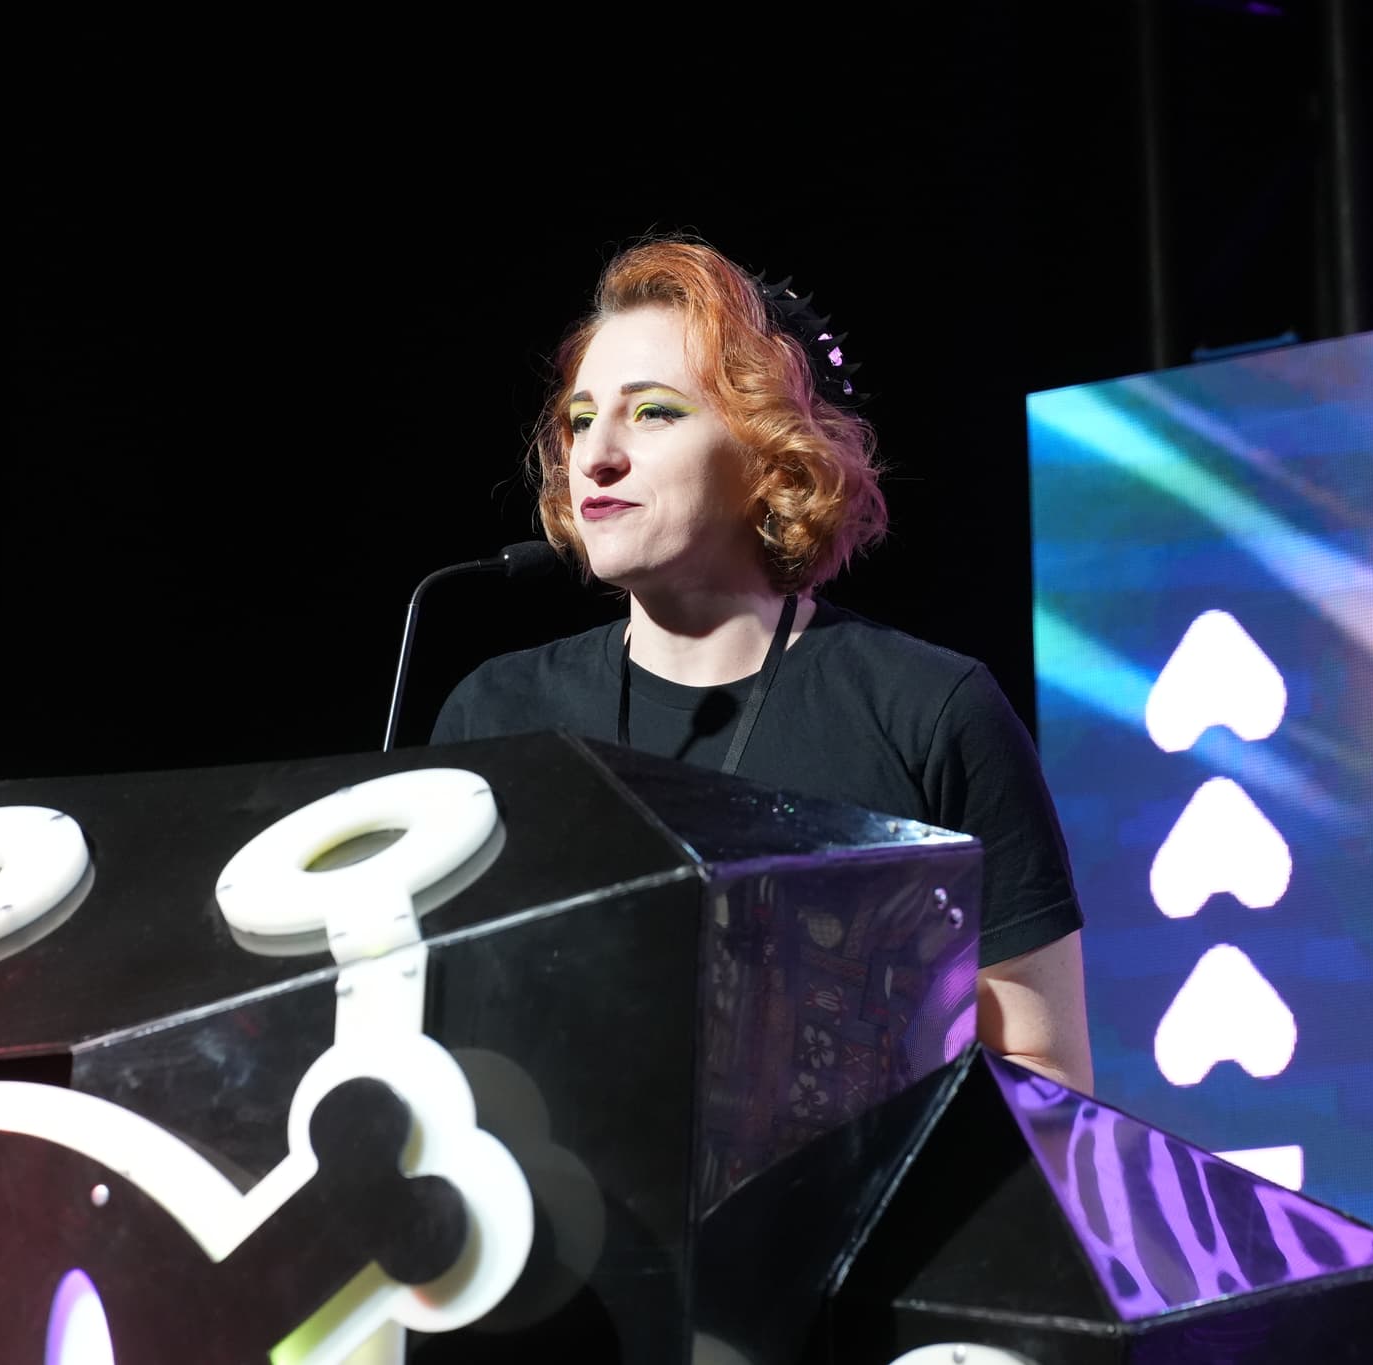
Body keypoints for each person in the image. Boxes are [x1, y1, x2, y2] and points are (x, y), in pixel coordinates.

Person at [432, 236, 1093, 1093]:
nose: (596, 454)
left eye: (654, 411)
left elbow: (1045, 1072)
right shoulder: (496, 715)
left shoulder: (928, 711)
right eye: (581, 418)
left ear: (769, 454)